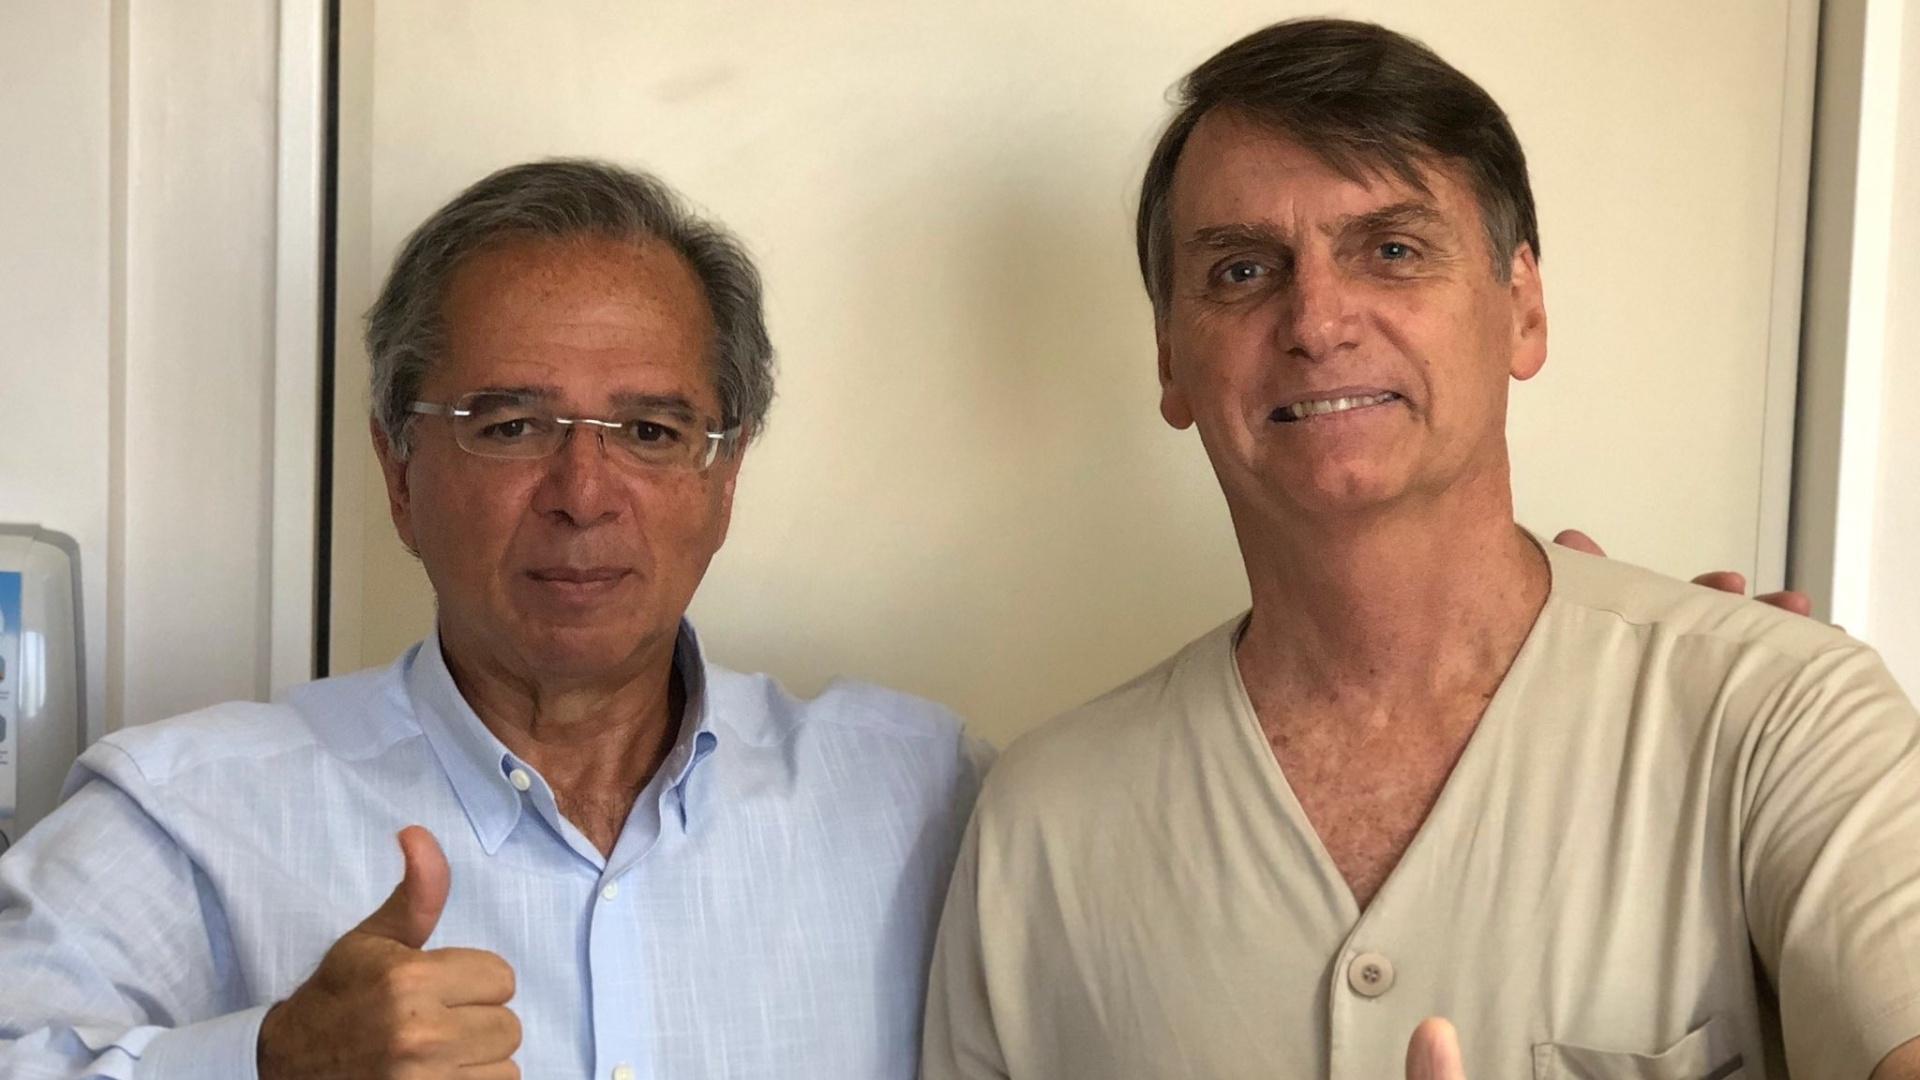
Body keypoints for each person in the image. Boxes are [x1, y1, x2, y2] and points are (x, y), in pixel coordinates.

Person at [921, 18, 1920, 1080]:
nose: (1317, 321)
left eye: (1392, 252)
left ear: (1523, 308)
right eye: (1243, 270)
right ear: (1171, 359)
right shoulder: (1041, 827)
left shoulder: (1780, 718)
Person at [0, 160, 982, 1079]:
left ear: (723, 480)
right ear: (400, 474)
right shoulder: (188, 817)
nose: (583, 495)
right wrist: (269, 1061)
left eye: (650, 431)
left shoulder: (923, 799)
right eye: (511, 427)